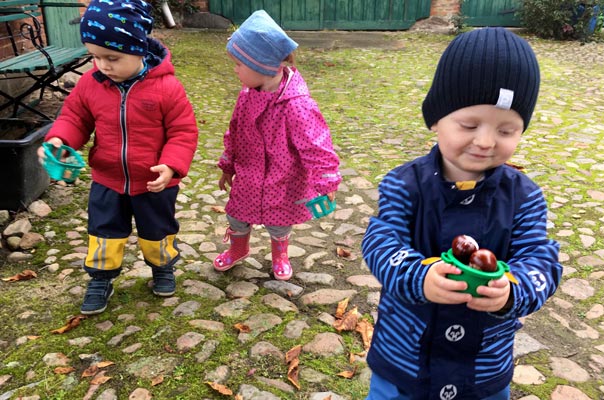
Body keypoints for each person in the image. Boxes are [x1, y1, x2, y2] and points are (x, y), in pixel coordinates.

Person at [361, 27, 562, 400]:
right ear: (436, 119)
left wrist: (511, 290)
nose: (485, 141)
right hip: (405, 365)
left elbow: (541, 261)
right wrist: (419, 276)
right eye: (469, 125)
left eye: (507, 129)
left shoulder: (526, 197)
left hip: (483, 371)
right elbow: (380, 240)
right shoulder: (403, 184)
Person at [37, 0, 198, 315]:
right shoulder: (90, 85)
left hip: (154, 182)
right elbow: (75, 118)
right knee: (103, 233)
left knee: (158, 230)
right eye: (94, 57)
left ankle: (162, 267)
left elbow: (183, 132)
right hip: (107, 179)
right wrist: (59, 139)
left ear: (139, 49)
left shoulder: (167, 88)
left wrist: (172, 165)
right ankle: (101, 278)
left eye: (112, 57)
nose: (103, 66)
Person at [214, 10, 341, 281]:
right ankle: (239, 249)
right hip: (249, 174)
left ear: (262, 66)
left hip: (282, 179)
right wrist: (227, 165)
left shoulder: (297, 104)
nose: (235, 70)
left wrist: (327, 182)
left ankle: (280, 254)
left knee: (278, 221)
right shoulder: (246, 96)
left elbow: (316, 146)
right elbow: (233, 132)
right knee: (237, 216)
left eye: (239, 64)